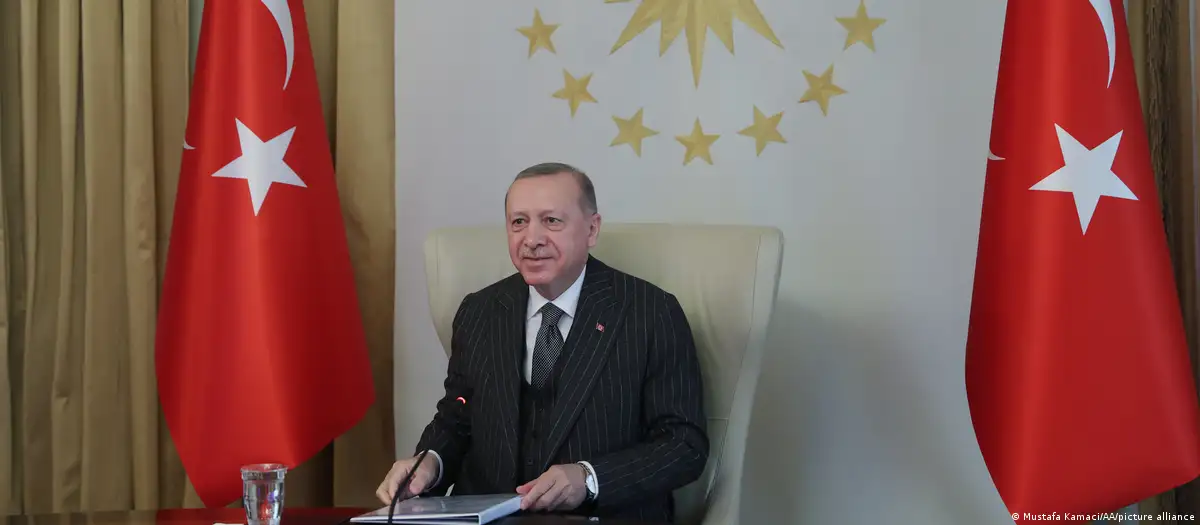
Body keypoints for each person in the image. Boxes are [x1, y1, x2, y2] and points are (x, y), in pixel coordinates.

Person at [376, 162, 709, 521]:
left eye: (551, 221)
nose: (531, 239)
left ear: (592, 229)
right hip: (489, 517)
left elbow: (683, 445)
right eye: (519, 222)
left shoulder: (651, 313)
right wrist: (430, 462)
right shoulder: (479, 311)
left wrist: (589, 478)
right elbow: (457, 416)